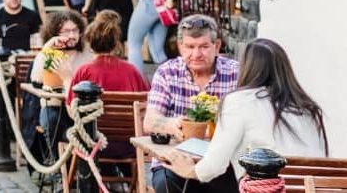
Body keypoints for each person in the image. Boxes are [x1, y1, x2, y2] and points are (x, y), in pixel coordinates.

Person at [159, 38, 328, 192]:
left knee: (179, 179)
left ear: (247, 68)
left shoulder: (239, 101)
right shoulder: (307, 106)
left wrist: (188, 169)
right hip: (312, 188)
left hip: (267, 188)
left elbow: (214, 165)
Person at [143, 14, 240, 193]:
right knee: (166, 184)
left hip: (221, 163)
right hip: (174, 160)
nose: (196, 54)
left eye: (204, 47)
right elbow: (149, 121)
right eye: (189, 47)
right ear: (180, 47)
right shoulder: (167, 72)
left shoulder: (236, 73)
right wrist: (173, 124)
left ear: (217, 46)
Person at [66, 10, 149, 179]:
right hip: (129, 145)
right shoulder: (132, 71)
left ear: (90, 43)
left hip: (94, 143)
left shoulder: (84, 71)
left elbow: (71, 111)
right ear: (116, 43)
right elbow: (145, 108)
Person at [29, 10, 93, 160]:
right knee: (51, 119)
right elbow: (36, 79)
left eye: (75, 30)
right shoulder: (49, 53)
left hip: (80, 108)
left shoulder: (86, 54)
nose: (71, 35)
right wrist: (48, 49)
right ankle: (57, 165)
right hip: (55, 105)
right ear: (55, 33)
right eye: (66, 31)